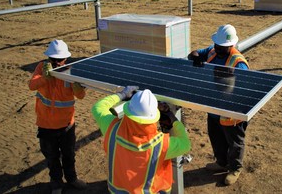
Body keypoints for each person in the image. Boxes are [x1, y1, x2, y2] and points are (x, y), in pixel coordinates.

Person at [92, 87, 191, 194]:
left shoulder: (111, 128)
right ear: (154, 117)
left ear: (128, 111)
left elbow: (98, 108)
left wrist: (121, 95)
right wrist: (174, 121)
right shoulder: (162, 144)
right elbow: (185, 144)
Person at [187, 24, 249, 186]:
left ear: (231, 45)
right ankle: (221, 162)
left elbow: (245, 91)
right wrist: (195, 57)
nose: (217, 48)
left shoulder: (238, 63)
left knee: (234, 141)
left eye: (221, 46)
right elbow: (195, 53)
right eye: (216, 44)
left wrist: (230, 82)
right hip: (213, 106)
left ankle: (235, 168)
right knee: (216, 137)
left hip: (231, 110)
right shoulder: (212, 50)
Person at [28, 39, 87, 194]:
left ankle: (72, 179)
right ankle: (56, 183)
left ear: (65, 59)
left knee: (68, 155)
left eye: (59, 60)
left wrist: (78, 88)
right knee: (52, 157)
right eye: (53, 60)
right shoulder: (41, 68)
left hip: (67, 125)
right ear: (48, 58)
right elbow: (31, 85)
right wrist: (44, 78)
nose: (56, 63)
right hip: (46, 125)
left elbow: (80, 96)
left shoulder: (71, 71)